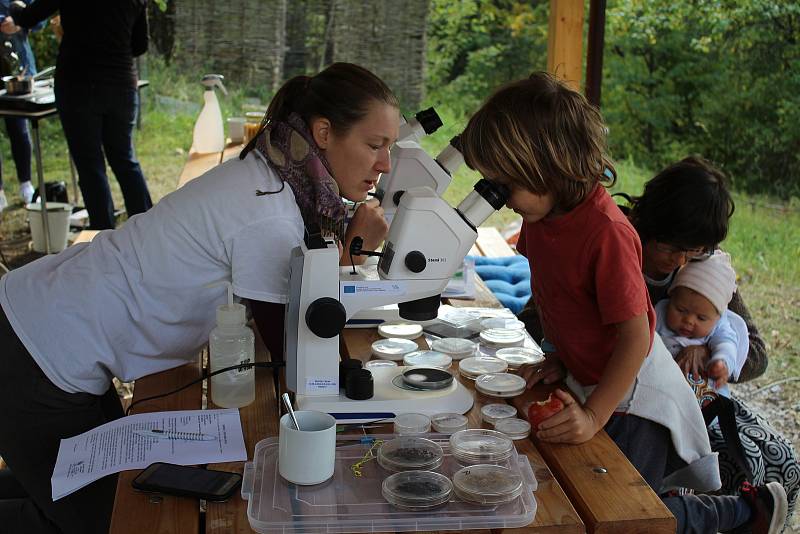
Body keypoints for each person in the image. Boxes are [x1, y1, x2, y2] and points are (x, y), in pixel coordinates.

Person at [0, 62, 398, 533]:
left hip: (51, 329)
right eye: (375, 145)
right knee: (107, 521)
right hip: (36, 354)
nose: (386, 165)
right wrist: (350, 257)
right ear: (325, 133)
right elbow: (294, 348)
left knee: (94, 489)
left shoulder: (270, 175)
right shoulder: (269, 213)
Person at [460, 72, 788, 534]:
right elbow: (558, 297)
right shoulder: (541, 216)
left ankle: (741, 514)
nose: (497, 195)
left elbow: (637, 336)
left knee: (623, 511)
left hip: (634, 397)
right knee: (609, 488)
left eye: (504, 183)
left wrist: (595, 415)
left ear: (548, 168)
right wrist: (558, 354)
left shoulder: (606, 232)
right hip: (593, 377)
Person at [627, 156, 799, 527]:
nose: (680, 262)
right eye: (671, 248)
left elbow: (755, 352)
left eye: (694, 251)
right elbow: (539, 320)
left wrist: (705, 347)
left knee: (781, 463)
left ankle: (754, 512)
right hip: (632, 406)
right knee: (636, 494)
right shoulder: (617, 246)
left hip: (702, 401)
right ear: (646, 223)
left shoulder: (704, 268)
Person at [3, 1, 153, 229]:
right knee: (125, 160)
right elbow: (140, 45)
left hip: (79, 85)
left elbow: (28, 17)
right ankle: (148, 230)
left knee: (90, 166)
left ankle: (103, 233)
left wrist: (15, 6)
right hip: (120, 83)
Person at [655, 251, 749, 398]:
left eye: (701, 318)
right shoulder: (660, 312)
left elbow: (727, 343)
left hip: (704, 400)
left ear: (718, 317)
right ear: (671, 298)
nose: (689, 321)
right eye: (681, 310)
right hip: (660, 392)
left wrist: (721, 362)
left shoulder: (719, 326)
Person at [0, 0, 42, 213]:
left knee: (19, 128)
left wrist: (19, 24)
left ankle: (26, 183)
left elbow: (40, 17)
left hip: (20, 69)